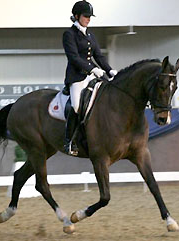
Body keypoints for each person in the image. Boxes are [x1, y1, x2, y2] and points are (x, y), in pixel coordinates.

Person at [62, 0, 118, 156]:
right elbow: (73, 57)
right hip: (76, 77)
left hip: (93, 76)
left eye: (89, 16)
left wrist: (110, 70)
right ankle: (69, 141)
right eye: (86, 16)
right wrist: (92, 68)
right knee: (76, 106)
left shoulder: (90, 35)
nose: (88, 19)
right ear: (76, 16)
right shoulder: (69, 34)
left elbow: (98, 56)